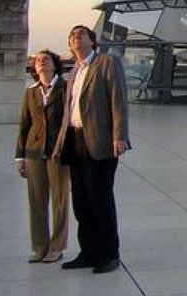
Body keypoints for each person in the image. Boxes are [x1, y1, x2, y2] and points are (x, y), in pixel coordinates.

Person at [54, 25, 130, 275]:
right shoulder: (74, 70)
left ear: (92, 41)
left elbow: (118, 99)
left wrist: (120, 136)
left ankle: (109, 254)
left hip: (100, 141)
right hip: (75, 140)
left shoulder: (107, 62)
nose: (76, 37)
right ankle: (88, 252)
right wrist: (59, 144)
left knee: (101, 199)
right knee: (81, 201)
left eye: (81, 34)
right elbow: (69, 110)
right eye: (72, 35)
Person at [15, 50, 70, 263]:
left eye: (46, 59)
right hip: (34, 152)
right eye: (38, 60)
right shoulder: (31, 92)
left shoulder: (65, 89)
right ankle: (39, 246)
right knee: (36, 201)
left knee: (59, 200)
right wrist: (20, 157)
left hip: (58, 152)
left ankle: (57, 246)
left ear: (55, 65)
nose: (41, 62)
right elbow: (24, 124)